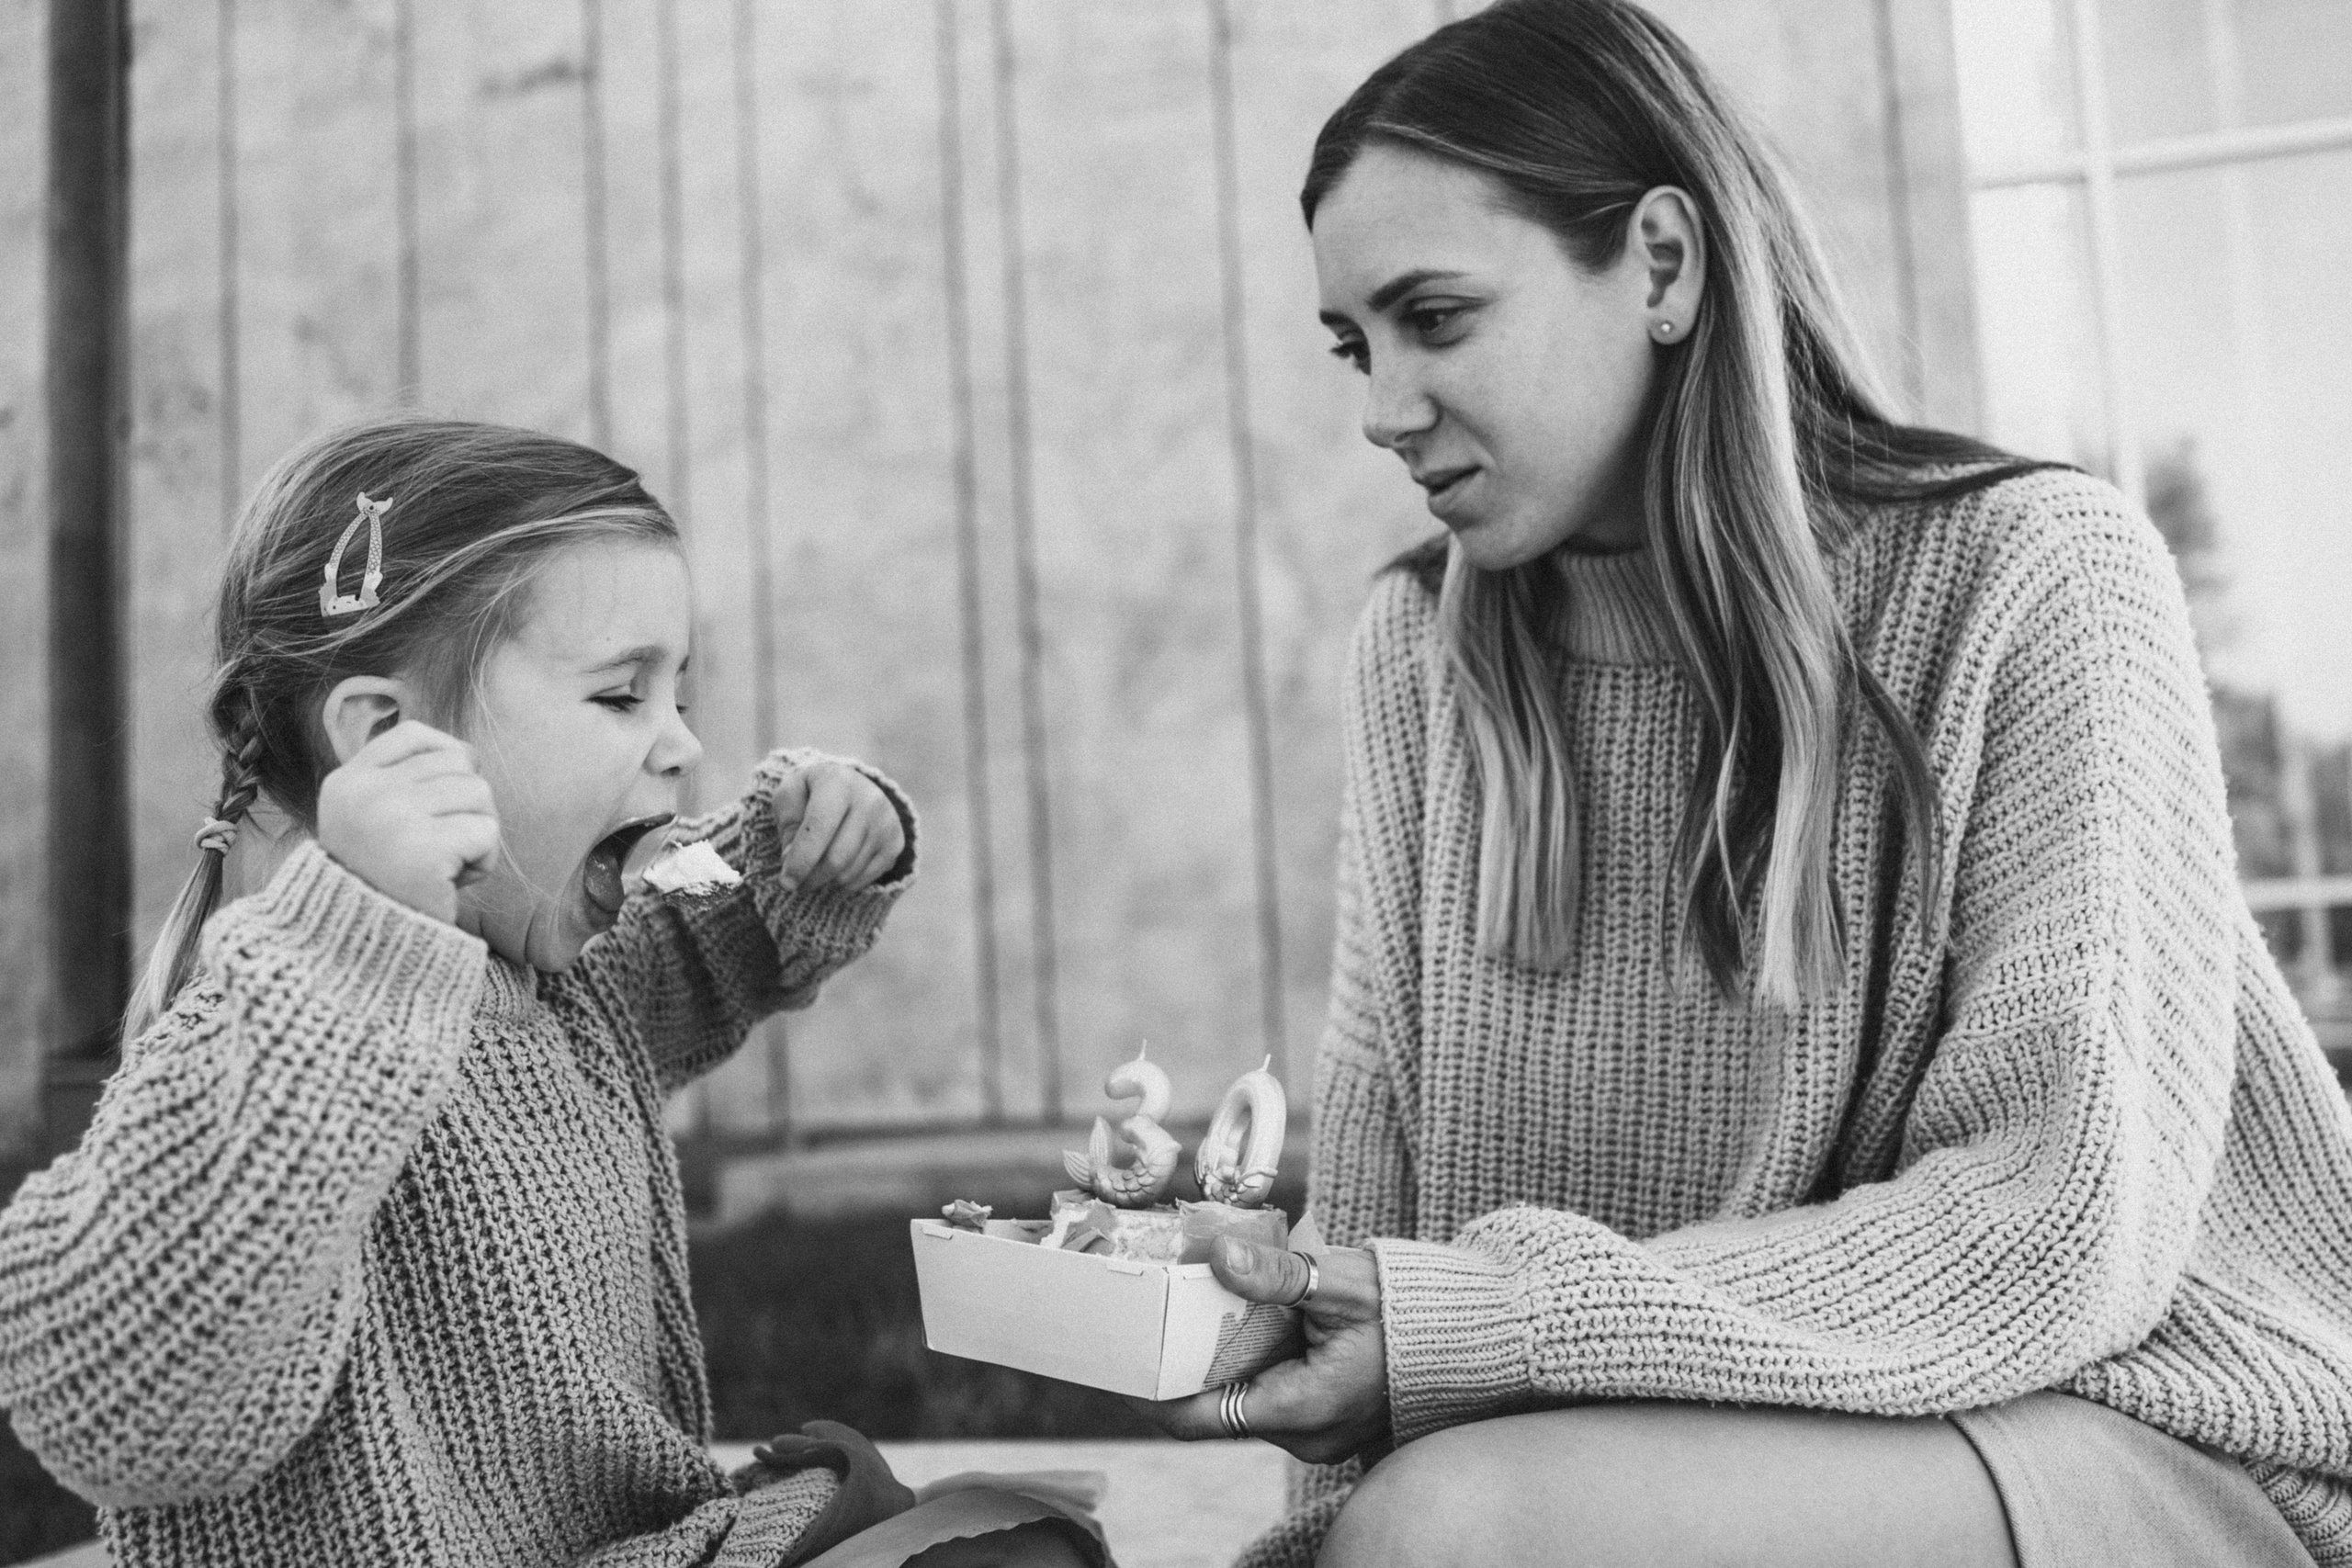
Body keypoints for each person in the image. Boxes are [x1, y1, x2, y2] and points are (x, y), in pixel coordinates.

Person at [1142, 4, 2352, 1565]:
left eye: (1435, 318)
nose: (1382, 406)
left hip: (2136, 1414)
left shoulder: (2036, 576)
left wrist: (1493, 1331)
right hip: (1668, 1458)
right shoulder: (1418, 652)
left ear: (1662, 263)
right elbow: (1390, 1184)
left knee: (1462, 1529)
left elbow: (2055, 1226)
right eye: (1354, 345)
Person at [0, 417, 1097, 1568]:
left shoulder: (556, 993)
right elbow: (107, 1390)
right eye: (623, 698)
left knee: (1014, 1535)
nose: (680, 745)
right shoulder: (270, 1041)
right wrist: (357, 949)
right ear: (391, 739)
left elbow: (703, 941)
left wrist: (804, 850)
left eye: (681, 695)